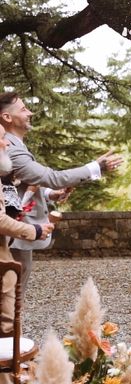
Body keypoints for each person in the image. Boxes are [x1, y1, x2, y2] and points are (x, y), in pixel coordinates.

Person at [0, 92, 123, 292]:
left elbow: (18, 185)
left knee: (15, 295)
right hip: (13, 234)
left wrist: (50, 194)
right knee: (13, 295)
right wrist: (95, 168)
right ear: (7, 117)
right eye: (23, 109)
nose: (30, 113)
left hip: (17, 232)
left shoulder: (13, 145)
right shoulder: (11, 149)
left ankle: (15, 323)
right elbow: (52, 177)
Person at [0, 124, 54, 384]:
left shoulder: (5, 173)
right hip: (3, 260)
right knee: (8, 323)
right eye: (1, 140)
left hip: (8, 251)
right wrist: (33, 229)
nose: (6, 144)